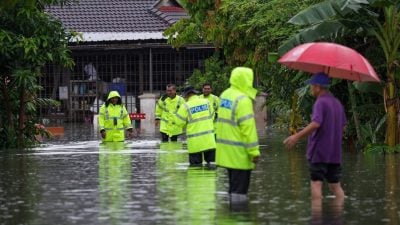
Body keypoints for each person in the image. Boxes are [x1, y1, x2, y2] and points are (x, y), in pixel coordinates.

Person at [283, 72, 346, 200]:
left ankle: (317, 216)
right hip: (334, 154)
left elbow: (316, 123)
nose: (311, 89)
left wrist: (296, 137)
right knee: (335, 186)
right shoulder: (337, 103)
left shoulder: (320, 102)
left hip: (319, 153)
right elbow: (343, 126)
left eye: (312, 86)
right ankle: (339, 215)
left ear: (317, 87)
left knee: (316, 184)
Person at [215, 67, 260, 198]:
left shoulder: (224, 95)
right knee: (240, 194)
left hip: (225, 153)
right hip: (240, 155)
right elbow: (248, 129)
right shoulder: (243, 100)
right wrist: (254, 152)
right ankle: (238, 217)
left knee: (232, 190)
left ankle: (230, 216)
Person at [174, 86, 216, 166]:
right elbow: (212, 117)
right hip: (209, 141)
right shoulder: (206, 102)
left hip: (195, 144)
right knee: (211, 166)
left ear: (187, 95)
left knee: (195, 169)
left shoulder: (185, 106)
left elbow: (179, 122)